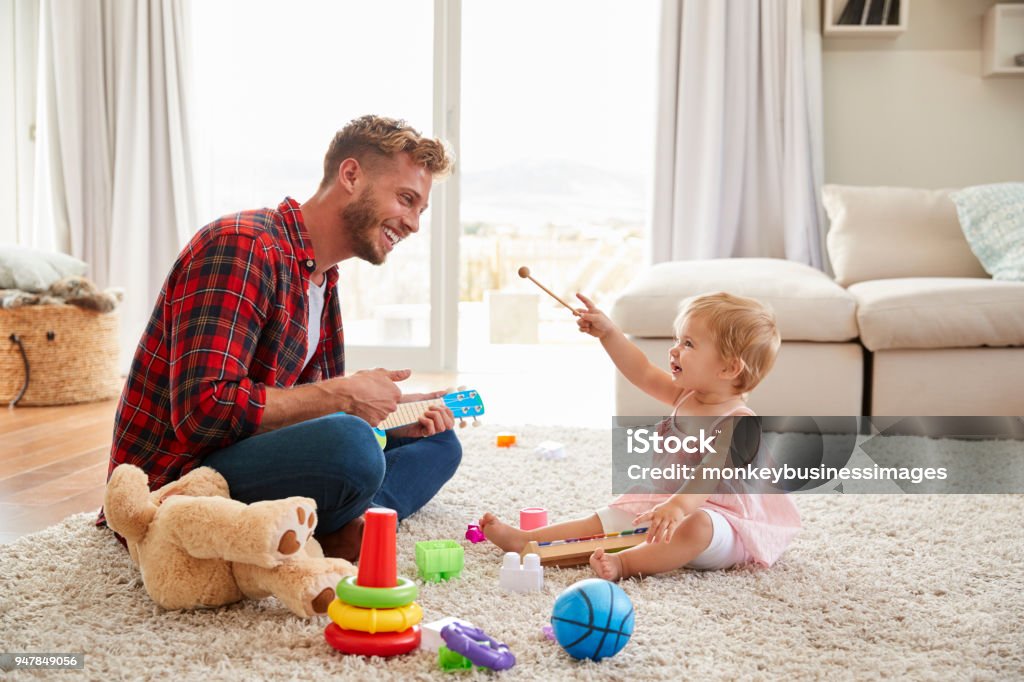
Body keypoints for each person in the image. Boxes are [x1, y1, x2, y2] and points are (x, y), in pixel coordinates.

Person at [101, 115, 462, 561]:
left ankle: (344, 526)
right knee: (351, 447)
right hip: (178, 480)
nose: (413, 224)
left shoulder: (322, 279)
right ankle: (335, 526)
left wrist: (390, 413)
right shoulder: (242, 246)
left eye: (420, 210)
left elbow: (305, 410)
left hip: (243, 453)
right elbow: (201, 413)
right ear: (351, 175)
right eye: (406, 200)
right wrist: (346, 400)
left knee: (437, 442)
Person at [479, 292, 800, 580]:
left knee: (697, 524)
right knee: (617, 513)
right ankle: (527, 539)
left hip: (728, 525)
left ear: (729, 369)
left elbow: (709, 473)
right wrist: (608, 333)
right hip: (670, 504)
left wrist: (678, 508)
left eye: (689, 344)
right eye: (678, 339)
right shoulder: (685, 396)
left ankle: (627, 564)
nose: (674, 349)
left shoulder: (740, 423)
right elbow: (642, 371)